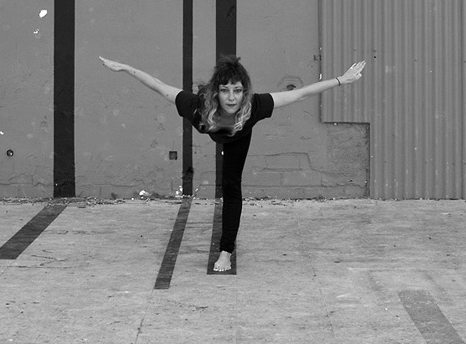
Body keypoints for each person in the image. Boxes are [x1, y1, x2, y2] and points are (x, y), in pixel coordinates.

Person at [99, 54, 366, 272]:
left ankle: (226, 251)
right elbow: (158, 85)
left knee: (231, 187)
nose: (231, 97)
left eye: (237, 91)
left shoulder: (255, 106)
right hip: (214, 125)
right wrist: (125, 68)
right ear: (216, 92)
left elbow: (301, 95)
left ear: (244, 92)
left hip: (238, 137)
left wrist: (341, 80)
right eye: (225, 90)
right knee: (227, 177)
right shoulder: (197, 106)